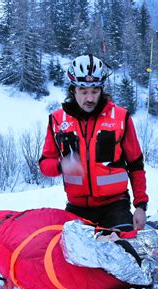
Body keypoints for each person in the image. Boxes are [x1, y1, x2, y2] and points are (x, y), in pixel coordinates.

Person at [39, 54, 148, 231]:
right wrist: (61, 166)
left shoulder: (121, 117)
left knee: (123, 251)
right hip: (77, 208)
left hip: (115, 205)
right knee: (68, 256)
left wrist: (141, 206)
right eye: (83, 91)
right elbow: (44, 164)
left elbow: (136, 165)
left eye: (95, 91)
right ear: (73, 90)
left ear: (102, 90)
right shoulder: (57, 120)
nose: (89, 98)